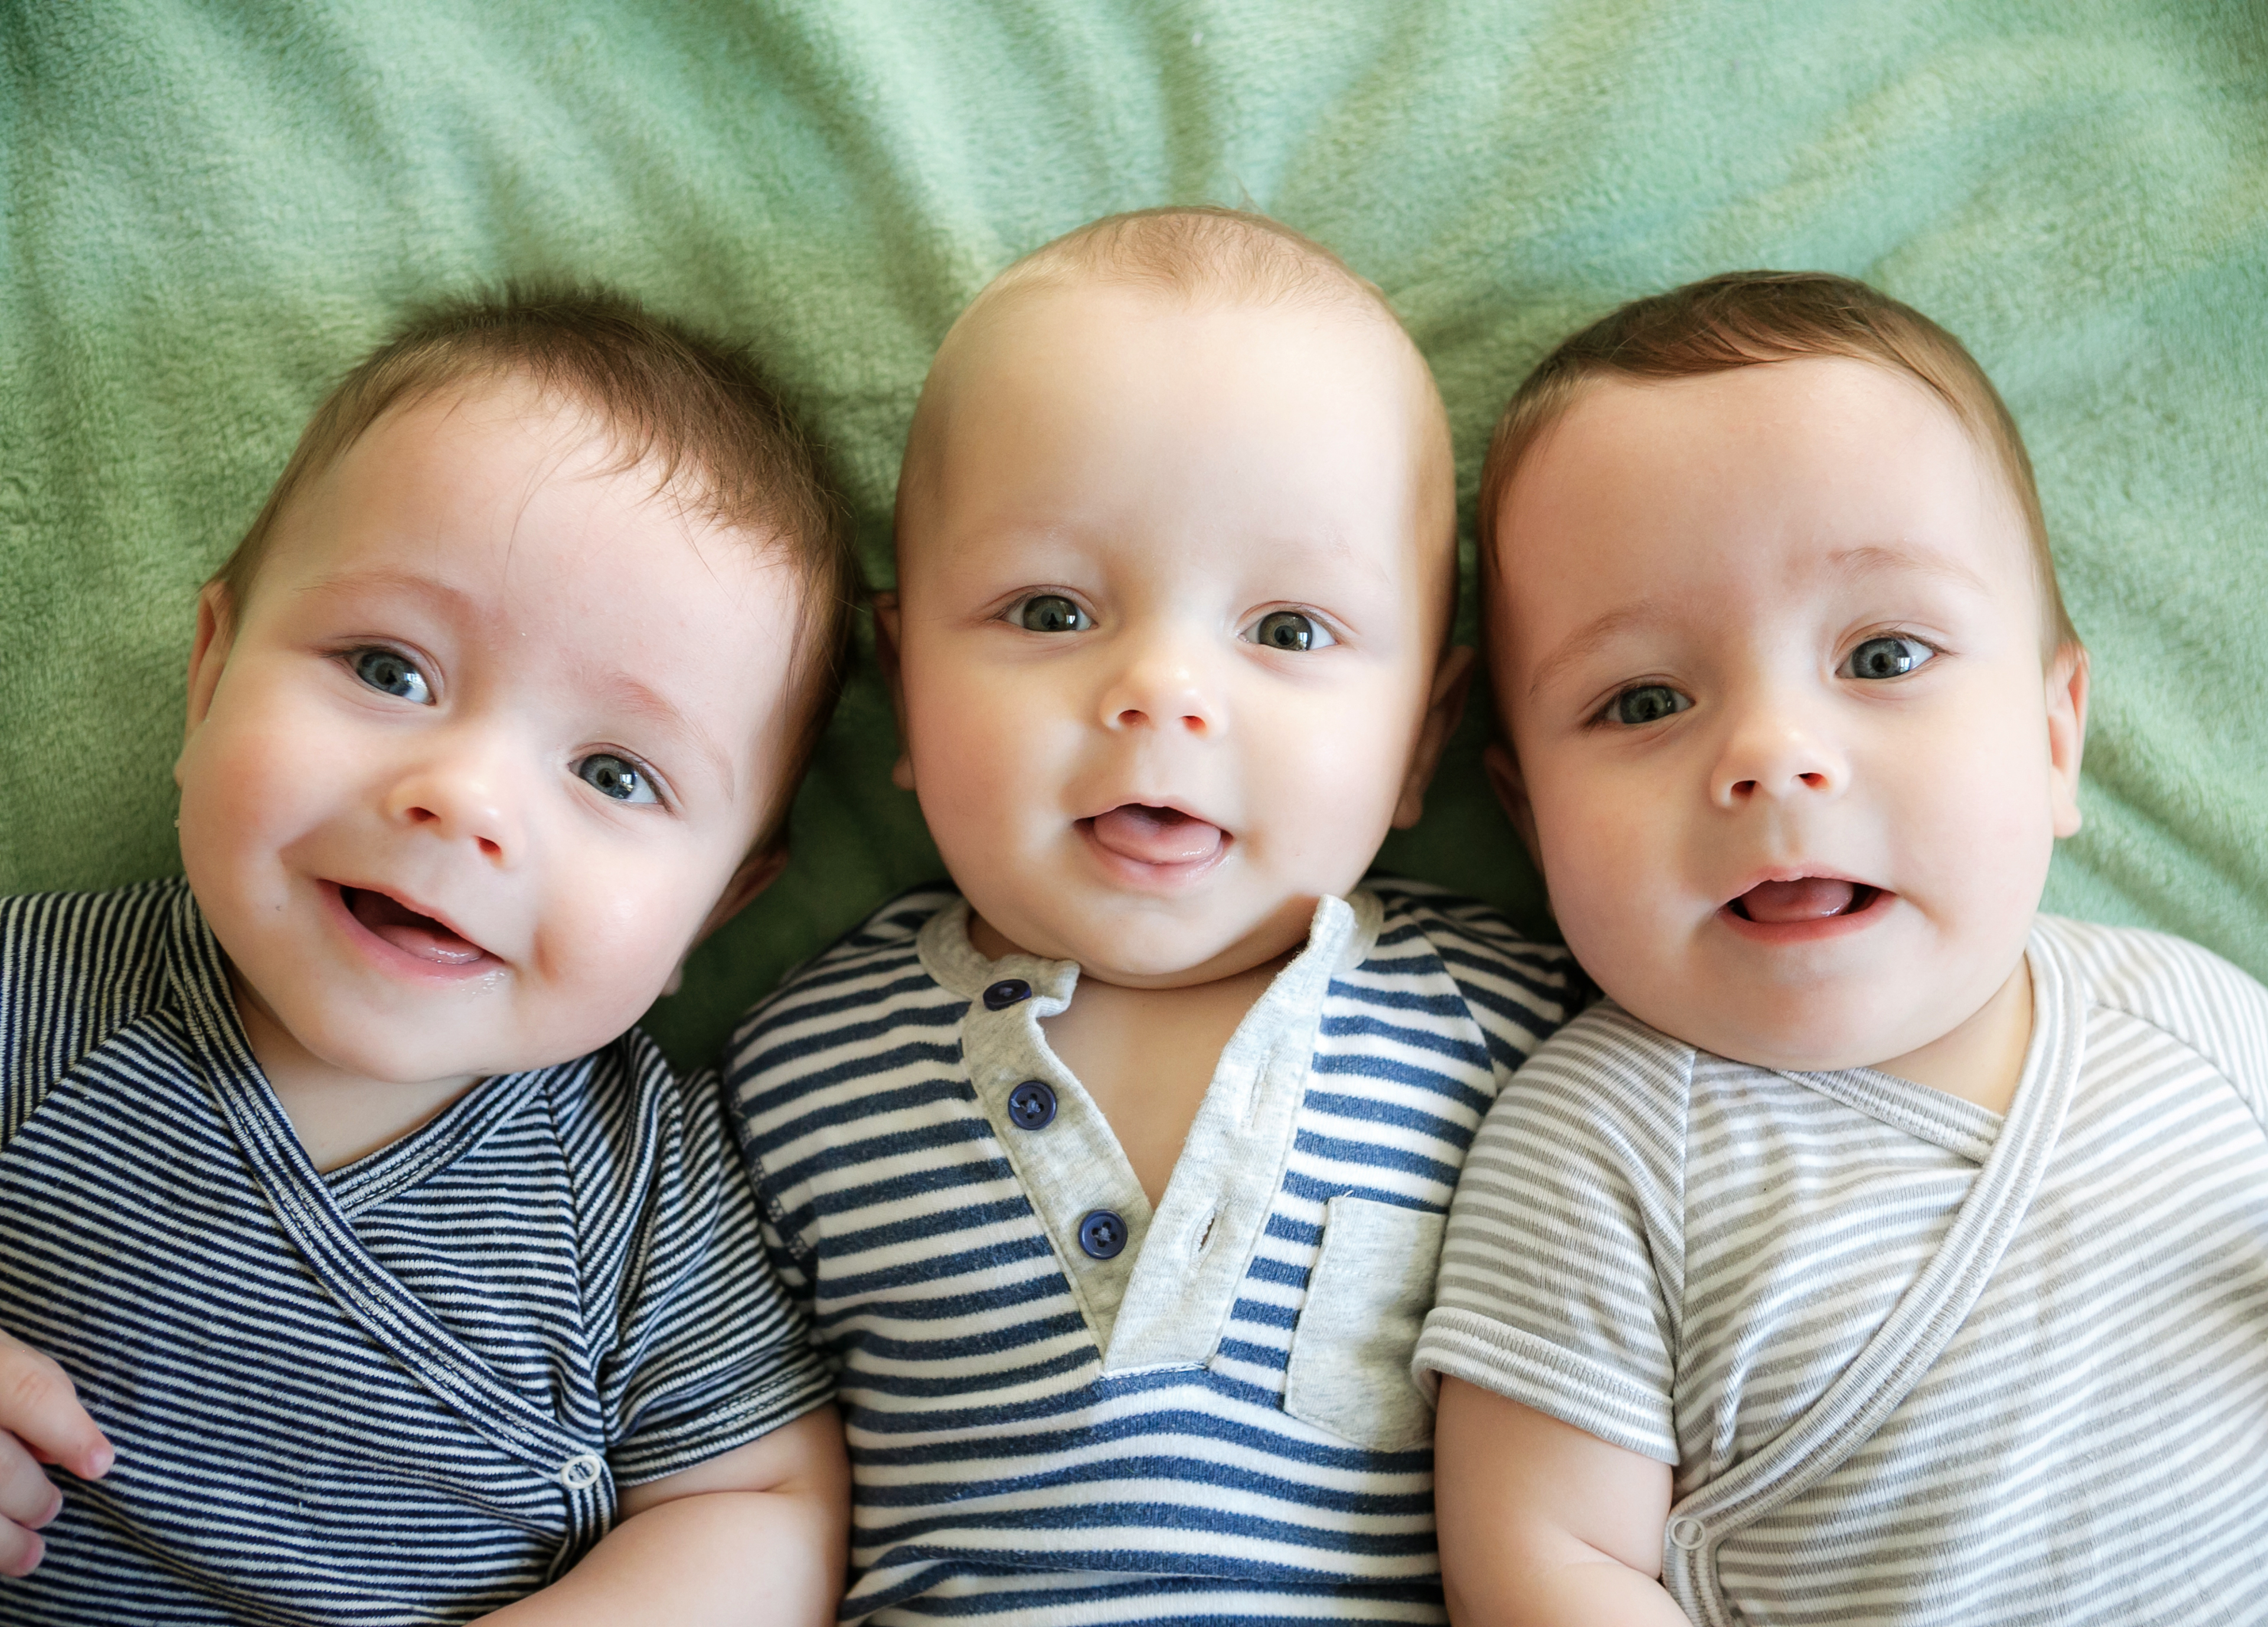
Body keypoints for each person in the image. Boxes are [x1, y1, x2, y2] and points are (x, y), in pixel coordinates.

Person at [1416, 270, 2268, 1625]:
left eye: (1885, 654)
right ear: (1532, 822)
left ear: (2056, 736)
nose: (1773, 754)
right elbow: (1547, 1558)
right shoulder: (1599, 1149)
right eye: (1644, 698)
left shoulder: (2186, 1016)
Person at [723, 207, 1578, 1624]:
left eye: (1289, 631)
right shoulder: (788, 1072)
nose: (1163, 689)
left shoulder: (1524, 1027)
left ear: (1423, 736)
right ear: (901, 687)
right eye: (1051, 611)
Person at [0, 290, 859, 1623]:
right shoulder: (33, 996)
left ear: (716, 912)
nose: (464, 799)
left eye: (615, 773)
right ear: (210, 671)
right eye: (390, 670)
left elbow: (768, 1514)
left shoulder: (638, 1195)